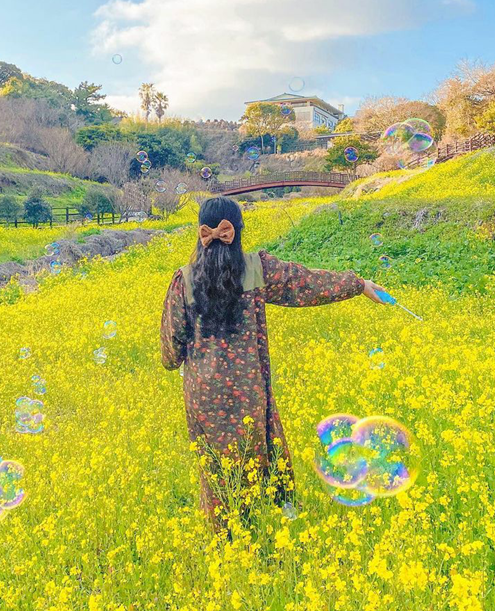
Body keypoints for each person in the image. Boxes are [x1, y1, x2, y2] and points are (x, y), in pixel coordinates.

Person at [160, 196, 388, 532]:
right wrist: (359, 284)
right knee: (257, 458)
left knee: (215, 472)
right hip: (250, 390)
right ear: (238, 231)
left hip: (203, 397)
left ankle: (226, 540)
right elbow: (307, 283)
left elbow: (170, 351)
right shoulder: (257, 269)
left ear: (201, 234)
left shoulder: (184, 280)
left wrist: (182, 356)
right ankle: (263, 528)